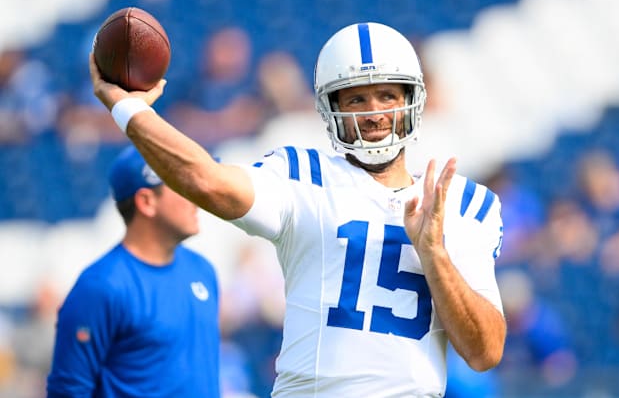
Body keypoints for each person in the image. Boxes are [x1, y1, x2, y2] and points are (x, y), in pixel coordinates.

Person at [89, 22, 506, 397]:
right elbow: (205, 179)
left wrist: (434, 252)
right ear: (331, 110)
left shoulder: (464, 205)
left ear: (412, 99)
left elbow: (485, 351)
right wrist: (130, 109)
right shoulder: (302, 176)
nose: (375, 113)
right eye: (356, 99)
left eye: (387, 94)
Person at [46, 146, 220, 397]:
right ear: (146, 202)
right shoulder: (100, 287)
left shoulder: (203, 270)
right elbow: (69, 389)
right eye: (182, 185)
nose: (196, 196)